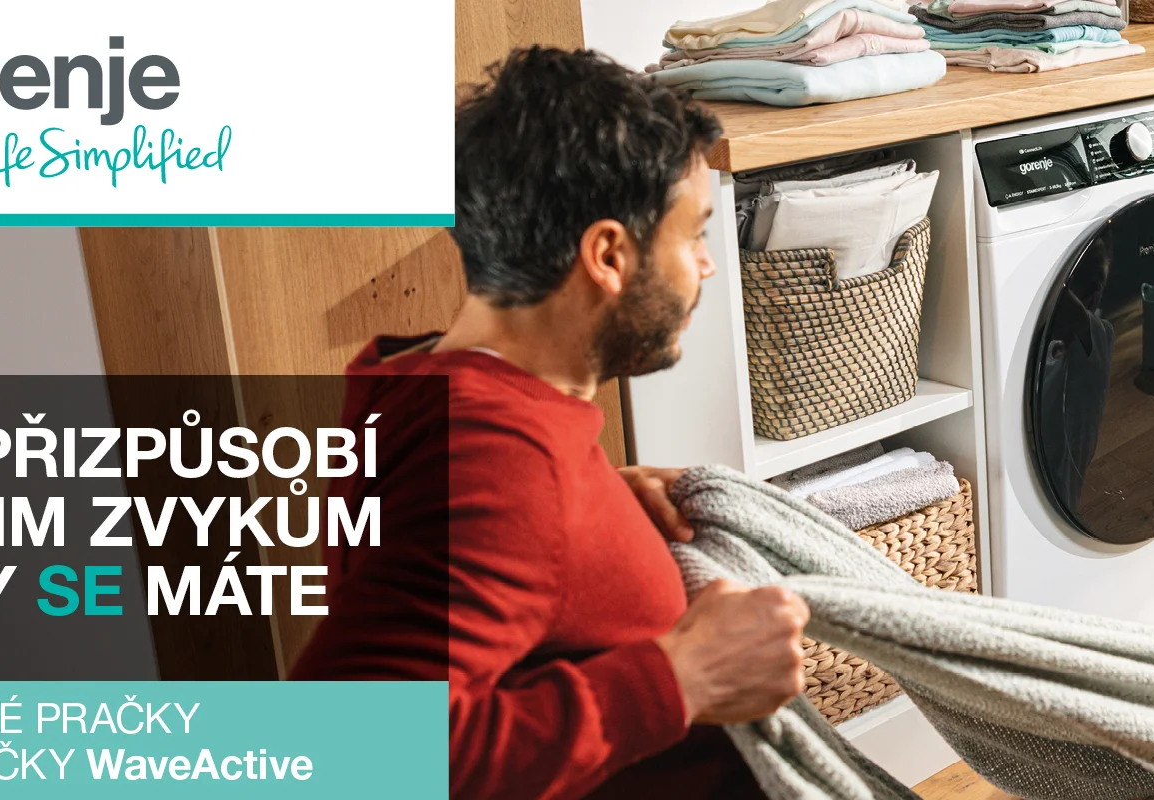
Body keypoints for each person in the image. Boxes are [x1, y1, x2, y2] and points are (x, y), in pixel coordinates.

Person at [288, 47, 805, 800]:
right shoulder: (498, 460)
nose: (707, 265)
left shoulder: (426, 385)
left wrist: (592, 508)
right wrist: (680, 679)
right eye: (693, 235)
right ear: (608, 255)